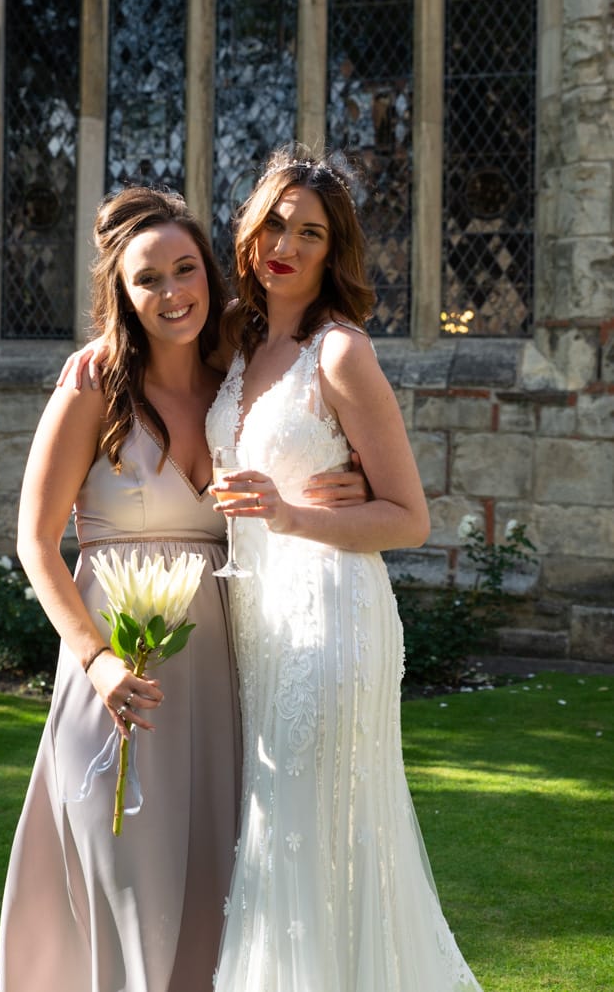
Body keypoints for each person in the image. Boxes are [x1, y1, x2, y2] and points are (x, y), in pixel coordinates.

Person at [0, 184, 367, 992]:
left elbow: (308, 462)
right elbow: (34, 541)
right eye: (148, 279)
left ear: (211, 274)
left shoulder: (237, 381)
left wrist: (330, 492)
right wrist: (96, 664)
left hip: (226, 671)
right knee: (128, 880)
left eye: (185, 270)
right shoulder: (94, 385)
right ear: (122, 296)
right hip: (121, 668)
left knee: (216, 892)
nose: (172, 293)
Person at [205, 144, 484, 991]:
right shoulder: (236, 341)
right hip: (258, 621)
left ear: (335, 251)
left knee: (305, 837)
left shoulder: (340, 352)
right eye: (274, 224)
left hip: (331, 620)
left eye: (310, 232)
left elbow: (410, 517)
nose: (285, 243)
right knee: (284, 835)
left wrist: (293, 513)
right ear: (250, 232)